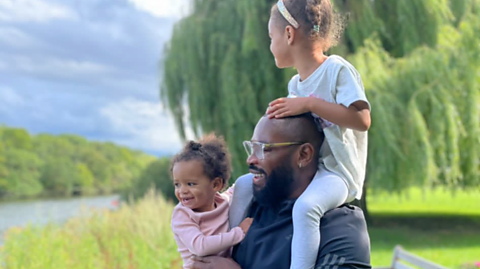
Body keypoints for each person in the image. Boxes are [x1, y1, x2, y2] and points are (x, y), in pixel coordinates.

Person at [233, 1, 371, 268]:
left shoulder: (336, 70)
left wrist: (308, 104)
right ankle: (227, 246)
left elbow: (362, 120)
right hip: (312, 169)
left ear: (288, 34)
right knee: (242, 185)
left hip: (338, 173)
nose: (271, 45)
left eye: (271, 37)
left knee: (306, 208)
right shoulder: (295, 84)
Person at [193, 114, 371, 269]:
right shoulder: (248, 211)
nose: (251, 159)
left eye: (264, 149)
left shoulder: (341, 230)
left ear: (304, 155)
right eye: (252, 147)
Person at [170, 134, 253, 269]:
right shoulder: (182, 215)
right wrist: (239, 233)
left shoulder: (223, 201)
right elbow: (200, 247)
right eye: (177, 184)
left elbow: (239, 187)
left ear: (216, 185)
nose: (182, 191)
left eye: (190, 184)